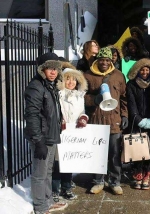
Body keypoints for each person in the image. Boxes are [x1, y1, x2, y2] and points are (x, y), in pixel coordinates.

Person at [24, 52, 68, 213]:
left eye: (55, 69)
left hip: (51, 134)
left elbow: (51, 110)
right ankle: (40, 206)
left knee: (48, 171)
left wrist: (60, 120)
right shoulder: (36, 86)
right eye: (49, 69)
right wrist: (38, 140)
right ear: (42, 70)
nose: (53, 72)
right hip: (41, 137)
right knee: (39, 173)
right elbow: (32, 115)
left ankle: (48, 200)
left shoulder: (51, 85)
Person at [84, 47, 128, 195]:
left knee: (115, 153)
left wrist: (124, 115)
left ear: (111, 61)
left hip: (114, 120)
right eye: (101, 59)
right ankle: (98, 181)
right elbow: (81, 97)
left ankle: (115, 181)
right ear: (97, 60)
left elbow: (123, 98)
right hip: (96, 120)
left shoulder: (118, 76)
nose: (104, 62)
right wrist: (93, 99)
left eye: (107, 60)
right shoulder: (88, 76)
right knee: (98, 153)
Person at [52, 67, 88, 202]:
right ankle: (54, 189)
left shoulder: (79, 95)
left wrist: (84, 118)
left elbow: (82, 111)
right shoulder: (59, 94)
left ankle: (66, 188)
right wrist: (59, 120)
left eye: (74, 79)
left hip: (73, 134)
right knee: (57, 163)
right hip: (60, 132)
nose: (71, 82)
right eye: (68, 79)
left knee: (68, 163)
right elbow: (55, 110)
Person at [126, 58, 150, 190]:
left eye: (147, 70)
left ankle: (147, 173)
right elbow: (131, 103)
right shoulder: (131, 85)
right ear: (137, 71)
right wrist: (138, 119)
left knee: (148, 149)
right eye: (142, 69)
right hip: (136, 122)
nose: (145, 72)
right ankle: (137, 173)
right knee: (137, 149)